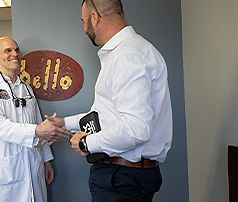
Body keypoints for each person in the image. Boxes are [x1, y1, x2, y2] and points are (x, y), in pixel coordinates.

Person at [47, 0, 173, 201]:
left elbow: (136, 128)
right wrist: (64, 123)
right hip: (123, 178)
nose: (84, 28)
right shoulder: (131, 51)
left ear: (95, 18)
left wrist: (87, 143)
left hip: (121, 179)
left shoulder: (127, 55)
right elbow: (106, 115)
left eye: (83, 21)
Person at [0, 36, 67, 202]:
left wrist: (46, 160)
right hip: (8, 171)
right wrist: (37, 131)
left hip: (34, 166)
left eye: (16, 50)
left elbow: (38, 122)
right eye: (7, 50)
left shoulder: (26, 89)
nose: (14, 54)